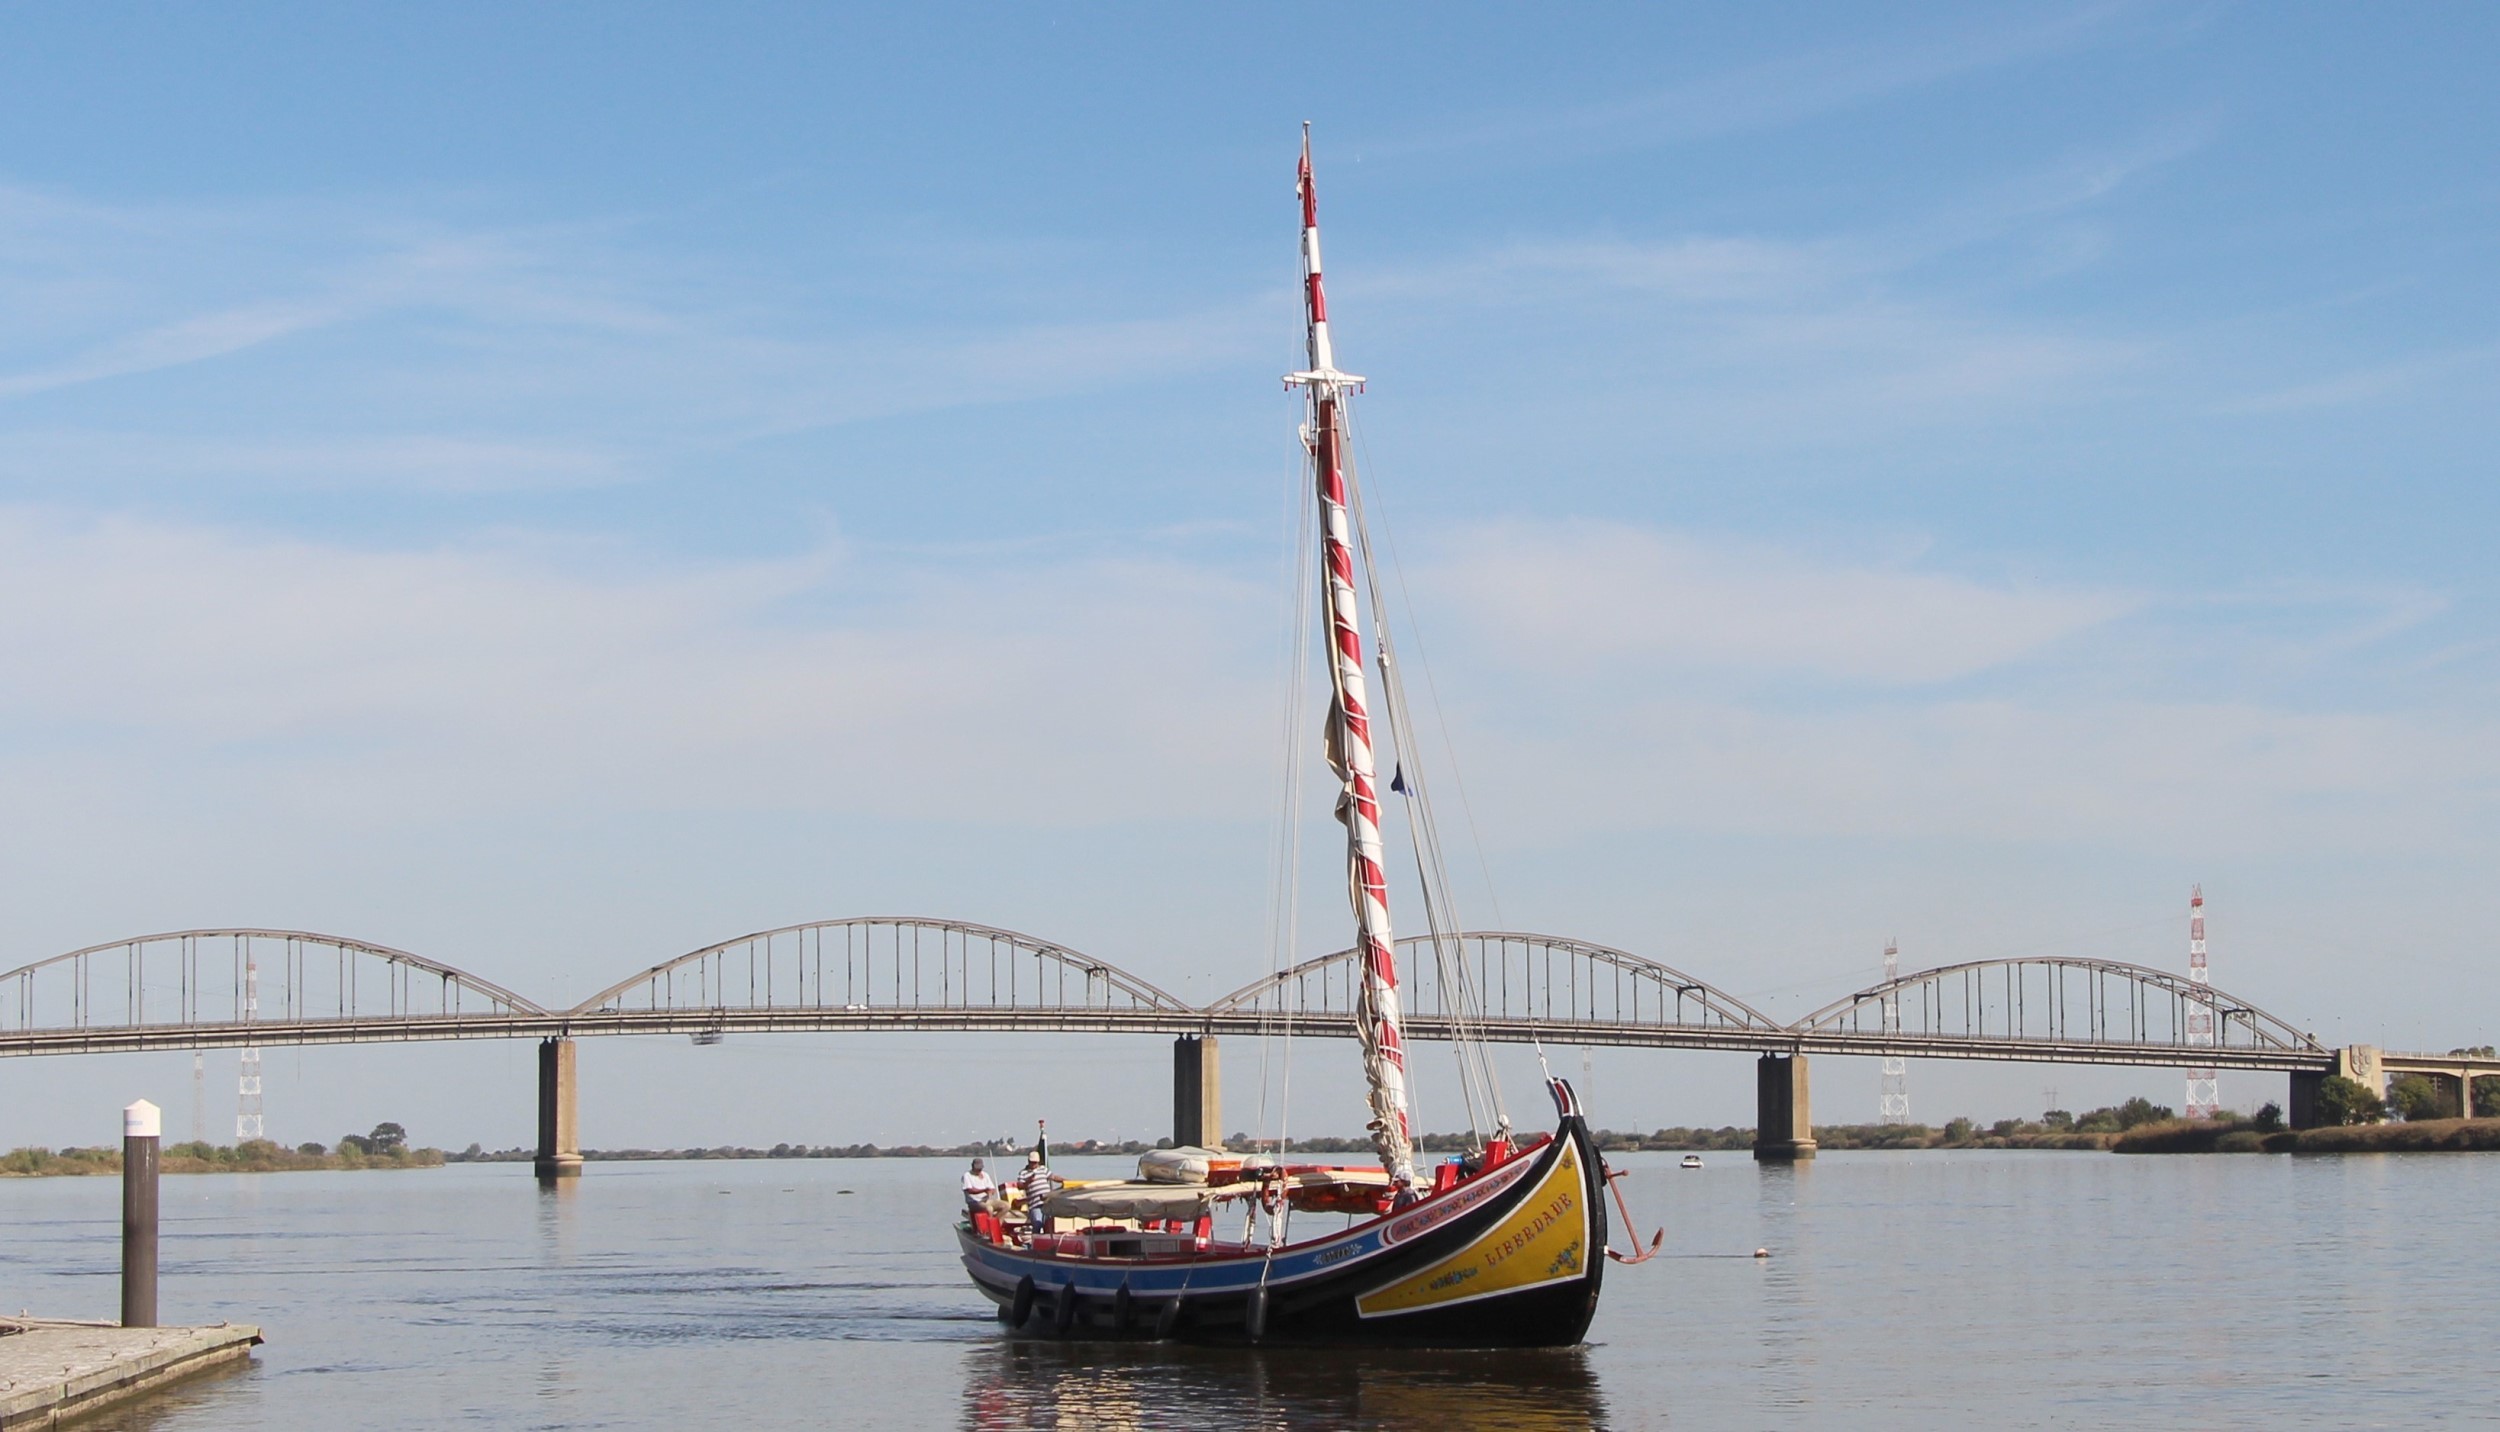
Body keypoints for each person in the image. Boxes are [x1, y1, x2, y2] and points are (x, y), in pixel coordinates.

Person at [1018, 1148, 1059, 1237]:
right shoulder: (1023, 1173)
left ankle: (1048, 1243)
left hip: (1047, 1202)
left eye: (1035, 1163)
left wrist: (1066, 1181)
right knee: (1037, 1223)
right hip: (1035, 1204)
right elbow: (1019, 1186)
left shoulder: (1043, 1169)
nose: (1033, 1164)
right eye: (1032, 1162)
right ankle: (1035, 1242)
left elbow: (1054, 1177)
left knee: (1048, 1225)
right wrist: (1028, 1181)